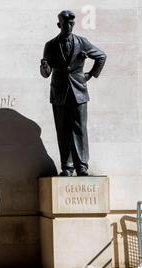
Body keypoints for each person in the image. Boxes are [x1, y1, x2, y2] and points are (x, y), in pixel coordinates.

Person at [40, 10, 106, 176]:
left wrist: (90, 75)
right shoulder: (51, 45)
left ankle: (82, 166)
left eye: (71, 23)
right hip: (59, 93)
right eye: (65, 23)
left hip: (79, 92)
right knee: (62, 130)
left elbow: (101, 57)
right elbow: (46, 73)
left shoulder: (82, 42)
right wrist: (45, 67)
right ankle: (67, 167)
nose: (69, 26)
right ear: (59, 25)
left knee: (80, 129)